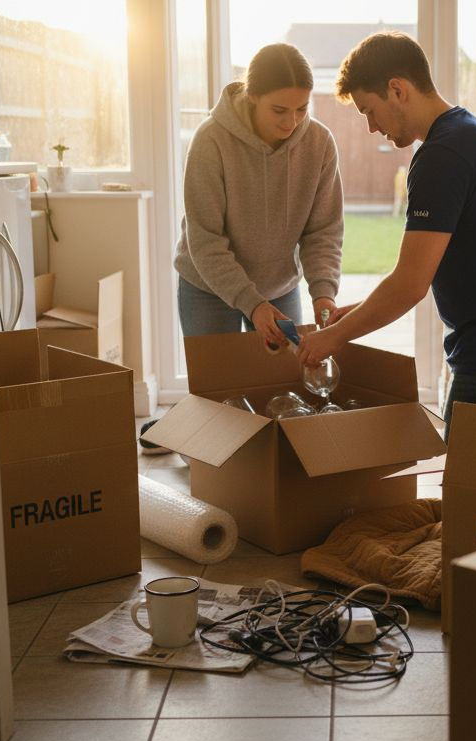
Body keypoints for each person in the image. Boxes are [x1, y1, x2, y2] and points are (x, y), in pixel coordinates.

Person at [296, 32, 476, 437]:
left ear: (397, 89)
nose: (371, 128)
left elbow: (409, 285)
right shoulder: (474, 132)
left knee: (467, 486)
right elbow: (427, 266)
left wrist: (334, 337)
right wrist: (353, 314)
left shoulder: (440, 157)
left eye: (370, 111)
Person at [142, 42, 343, 453]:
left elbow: (323, 229)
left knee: (285, 397)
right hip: (207, 285)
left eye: (302, 109)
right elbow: (205, 240)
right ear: (252, 97)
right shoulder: (211, 141)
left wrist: (323, 291)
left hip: (279, 284)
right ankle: (201, 457)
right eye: (279, 110)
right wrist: (251, 304)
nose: (292, 122)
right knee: (217, 402)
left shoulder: (320, 144)